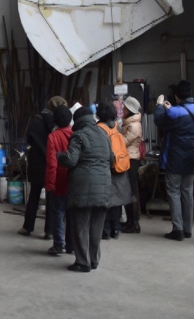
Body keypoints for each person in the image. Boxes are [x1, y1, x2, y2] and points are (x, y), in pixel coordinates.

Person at [57, 106, 112, 273]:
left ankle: (82, 262)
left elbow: (71, 160)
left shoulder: (79, 135)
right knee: (96, 227)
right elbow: (112, 157)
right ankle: (94, 260)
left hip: (84, 187)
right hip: (104, 186)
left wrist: (59, 156)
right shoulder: (104, 134)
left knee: (80, 226)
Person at [154, 80, 194, 241]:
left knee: (174, 191)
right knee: (187, 192)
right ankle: (188, 229)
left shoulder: (174, 112)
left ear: (177, 96)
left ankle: (178, 229)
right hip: (193, 156)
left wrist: (159, 105)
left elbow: (159, 121)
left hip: (176, 157)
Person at [18, 96, 68, 238]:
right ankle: (50, 231)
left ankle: (27, 227)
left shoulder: (35, 119)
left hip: (36, 161)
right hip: (54, 161)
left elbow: (29, 139)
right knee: (52, 197)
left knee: (34, 195)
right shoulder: (60, 122)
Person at [96, 100, 133, 240]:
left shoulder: (99, 129)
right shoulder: (117, 127)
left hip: (106, 167)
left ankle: (105, 231)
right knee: (116, 201)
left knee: (105, 201)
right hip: (120, 166)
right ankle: (115, 229)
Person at [45, 105, 73, 255]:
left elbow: (52, 163)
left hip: (58, 180)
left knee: (57, 213)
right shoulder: (75, 133)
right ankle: (71, 246)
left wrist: (50, 184)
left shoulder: (53, 137)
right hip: (73, 181)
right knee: (71, 214)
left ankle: (58, 245)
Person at [120, 96, 144, 234]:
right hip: (128, 158)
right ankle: (130, 221)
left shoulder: (134, 126)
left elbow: (123, 142)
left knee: (132, 192)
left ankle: (134, 223)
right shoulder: (129, 123)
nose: (123, 109)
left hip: (131, 160)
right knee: (128, 192)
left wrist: (115, 135)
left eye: (125, 107)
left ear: (130, 110)